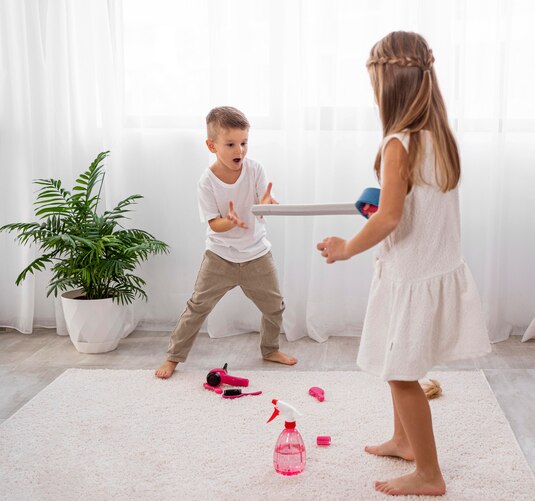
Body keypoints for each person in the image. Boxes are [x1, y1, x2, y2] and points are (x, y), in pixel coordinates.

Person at [316, 32, 491, 496]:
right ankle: (402, 441)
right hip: (430, 270)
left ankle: (430, 474)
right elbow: (415, 206)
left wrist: (346, 246)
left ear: (387, 84)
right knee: (401, 362)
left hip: (412, 276)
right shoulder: (439, 139)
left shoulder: (398, 144)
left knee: (400, 373)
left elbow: (391, 217)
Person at [156, 106, 297, 379]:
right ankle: (173, 357)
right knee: (197, 307)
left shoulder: (255, 169)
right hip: (220, 257)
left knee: (274, 307)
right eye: (231, 144)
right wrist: (230, 220)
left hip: (256, 254)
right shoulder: (206, 182)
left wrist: (266, 204)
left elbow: (261, 206)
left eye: (244, 143)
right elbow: (214, 225)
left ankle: (270, 350)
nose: (240, 151)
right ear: (211, 146)